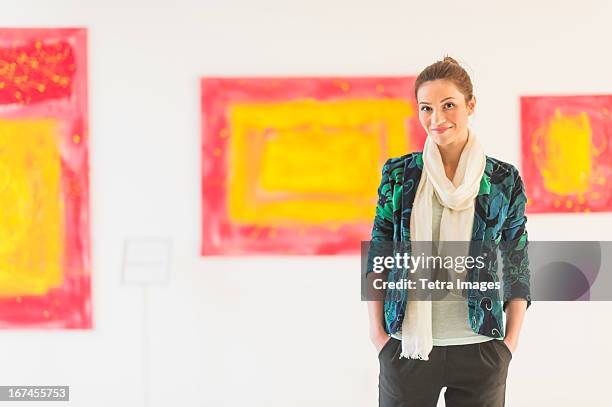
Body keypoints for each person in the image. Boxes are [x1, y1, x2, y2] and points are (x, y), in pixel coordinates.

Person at [366, 56, 531, 407]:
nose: (436, 119)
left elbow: (517, 261)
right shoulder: (400, 175)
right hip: (407, 346)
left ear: (470, 105)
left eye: (448, 105)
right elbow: (378, 253)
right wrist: (378, 335)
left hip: (480, 347)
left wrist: (510, 344)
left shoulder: (502, 180)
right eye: (426, 108)